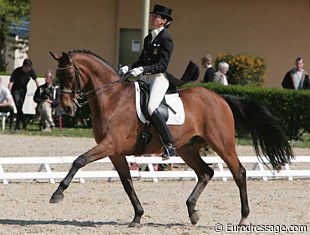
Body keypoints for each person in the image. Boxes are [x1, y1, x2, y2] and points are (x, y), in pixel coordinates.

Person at [119, 4, 175, 159]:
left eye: (156, 16)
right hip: (145, 78)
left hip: (158, 79)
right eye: (152, 15)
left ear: (164, 21)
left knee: (151, 107)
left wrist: (142, 70)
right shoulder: (149, 38)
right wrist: (129, 67)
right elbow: (142, 60)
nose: (152, 18)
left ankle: (169, 145)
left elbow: (162, 65)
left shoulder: (166, 39)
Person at [8, 58, 39, 130]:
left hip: (23, 90)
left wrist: (39, 89)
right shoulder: (17, 71)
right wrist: (8, 92)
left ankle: (22, 123)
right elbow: (11, 83)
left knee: (20, 107)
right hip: (15, 90)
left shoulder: (31, 71)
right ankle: (20, 124)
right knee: (18, 106)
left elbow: (36, 80)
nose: (29, 69)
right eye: (28, 67)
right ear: (24, 66)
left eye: (30, 67)